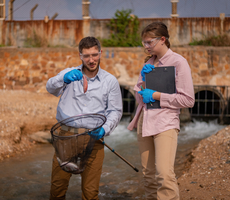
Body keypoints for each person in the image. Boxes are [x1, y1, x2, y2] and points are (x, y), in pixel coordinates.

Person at [46, 36, 123, 200]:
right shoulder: (69, 73)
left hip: (94, 141)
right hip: (66, 137)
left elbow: (115, 111)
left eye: (95, 54)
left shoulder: (110, 81)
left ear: (101, 53)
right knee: (57, 188)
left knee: (90, 192)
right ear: (80, 55)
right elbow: (50, 87)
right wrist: (63, 79)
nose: (91, 60)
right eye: (86, 56)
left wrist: (105, 129)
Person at [127, 22, 195, 199]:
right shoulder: (149, 63)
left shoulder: (179, 63)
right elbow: (139, 99)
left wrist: (157, 95)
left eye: (149, 42)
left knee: (164, 175)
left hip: (165, 123)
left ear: (162, 39)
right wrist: (142, 81)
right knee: (148, 176)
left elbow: (188, 100)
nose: (146, 47)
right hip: (145, 122)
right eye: (144, 43)